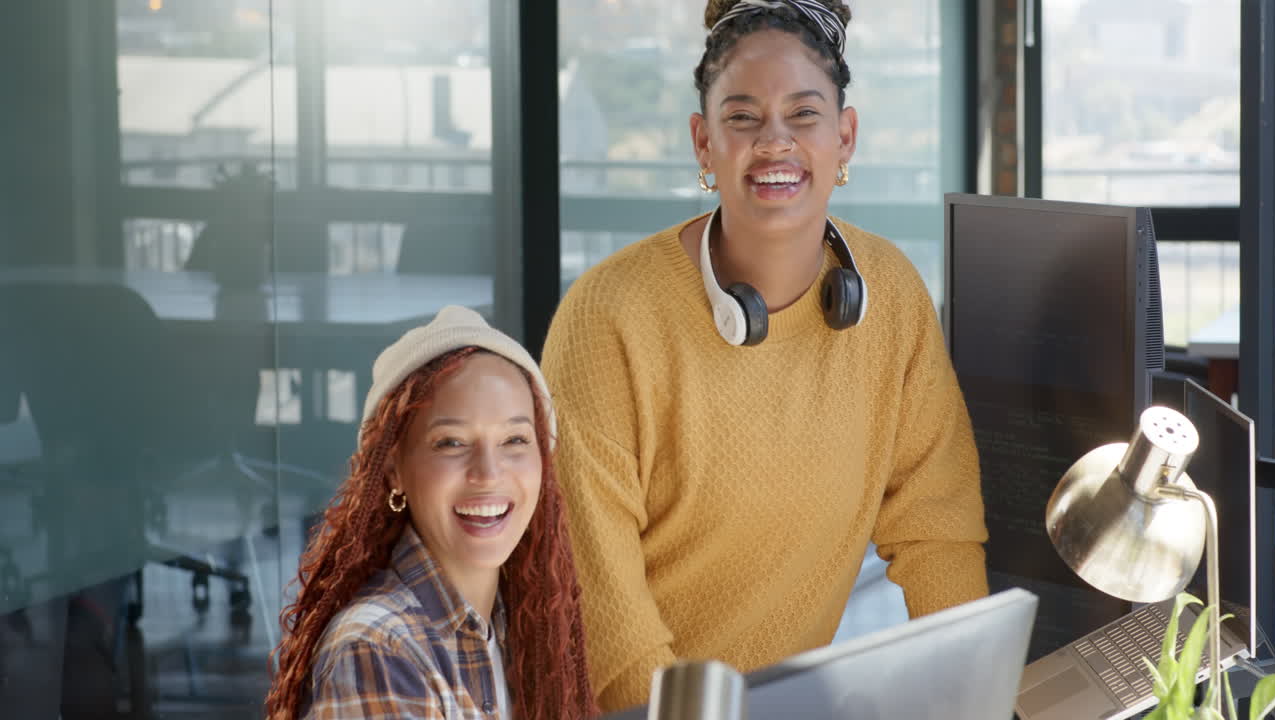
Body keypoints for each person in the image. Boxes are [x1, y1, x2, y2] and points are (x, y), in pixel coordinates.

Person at [540, 0, 989, 712]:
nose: (774, 142)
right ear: (703, 142)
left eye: (804, 115)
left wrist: (973, 695)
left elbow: (937, 533)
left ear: (845, 137)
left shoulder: (892, 294)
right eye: (742, 118)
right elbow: (611, 631)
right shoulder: (609, 316)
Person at [265, 306, 598, 720]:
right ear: (393, 469)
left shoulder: (523, 629)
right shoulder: (379, 648)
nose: (488, 473)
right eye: (451, 443)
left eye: (515, 439)